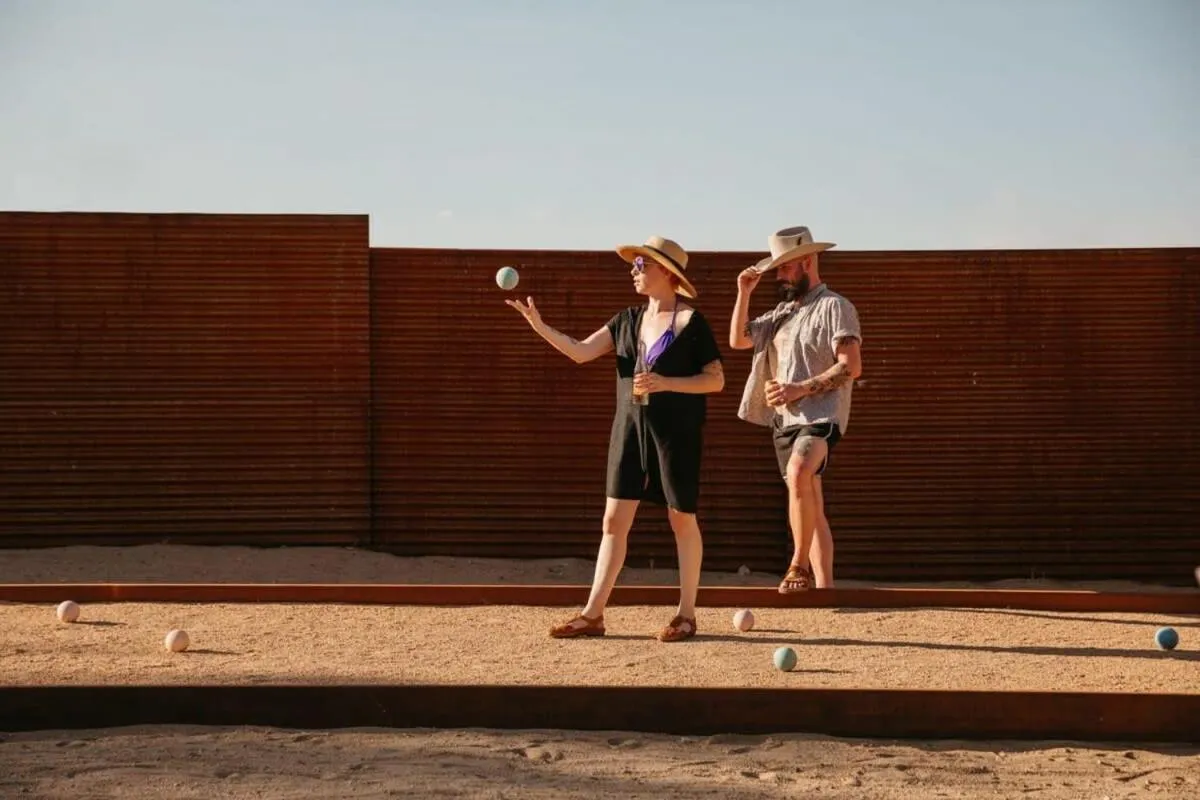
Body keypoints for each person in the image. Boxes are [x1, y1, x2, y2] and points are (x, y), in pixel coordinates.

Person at [507, 235, 725, 640]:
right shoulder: (626, 319)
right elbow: (580, 352)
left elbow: (716, 380)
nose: (634, 271)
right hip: (629, 429)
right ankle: (593, 615)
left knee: (681, 520)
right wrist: (540, 327)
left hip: (675, 434)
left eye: (642, 265)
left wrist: (665, 382)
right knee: (613, 520)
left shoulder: (692, 323)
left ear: (666, 272)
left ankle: (686, 614)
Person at [728, 226, 862, 593]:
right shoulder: (781, 313)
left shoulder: (836, 306)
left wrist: (797, 389)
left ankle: (797, 566)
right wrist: (744, 292)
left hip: (821, 417)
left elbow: (851, 366)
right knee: (810, 502)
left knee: (800, 467)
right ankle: (825, 589)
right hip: (784, 422)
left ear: (806, 262)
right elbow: (738, 339)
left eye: (785, 268)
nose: (780, 276)